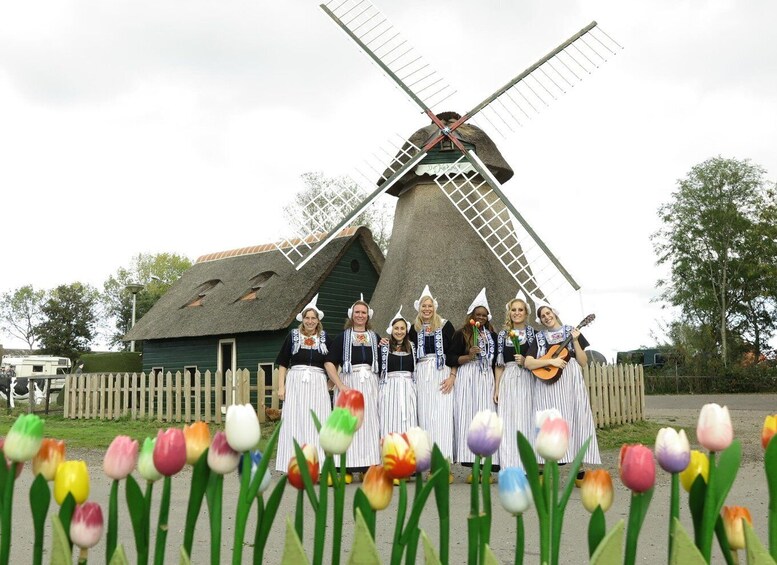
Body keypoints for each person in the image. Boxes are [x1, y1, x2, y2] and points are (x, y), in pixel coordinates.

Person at [524, 302, 601, 484]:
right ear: (540, 320)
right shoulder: (539, 337)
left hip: (570, 381)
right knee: (548, 421)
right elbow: (528, 362)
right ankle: (541, 469)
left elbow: (583, 362)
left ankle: (581, 469)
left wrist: (575, 339)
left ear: (554, 313)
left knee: (575, 417)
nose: (546, 317)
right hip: (547, 384)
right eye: (542, 315)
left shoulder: (572, 331)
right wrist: (551, 361)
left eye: (548, 313)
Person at [325, 295, 381, 482]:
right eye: (357, 312)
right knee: (349, 424)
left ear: (368, 316)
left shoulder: (375, 337)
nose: (360, 315)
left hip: (371, 384)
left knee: (370, 423)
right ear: (351, 315)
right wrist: (340, 386)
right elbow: (329, 363)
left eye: (363, 312)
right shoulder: (342, 338)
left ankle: (369, 465)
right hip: (350, 382)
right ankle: (347, 467)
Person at [274, 294, 334, 472]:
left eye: (313, 318)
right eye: (307, 318)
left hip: (317, 383)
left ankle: (318, 465)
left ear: (318, 320)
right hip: (296, 383)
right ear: (302, 319)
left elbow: (333, 362)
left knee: (318, 421)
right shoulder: (292, 336)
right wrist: (281, 387)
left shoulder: (325, 338)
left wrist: (331, 383)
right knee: (295, 420)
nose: (310, 321)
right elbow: (283, 363)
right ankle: (294, 465)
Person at [448, 287, 499, 482]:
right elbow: (451, 357)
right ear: (472, 315)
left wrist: (496, 385)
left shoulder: (493, 337)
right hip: (468, 378)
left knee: (485, 422)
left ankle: (486, 468)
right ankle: (473, 468)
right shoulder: (462, 334)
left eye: (484, 315)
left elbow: (497, 362)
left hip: (486, 379)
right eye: (478, 314)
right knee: (470, 420)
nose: (481, 318)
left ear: (488, 317)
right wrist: (467, 356)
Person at [408, 285, 456, 478]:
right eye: (423, 306)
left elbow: (454, 353)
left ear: (434, 307)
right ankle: (428, 465)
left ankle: (444, 465)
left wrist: (452, 376)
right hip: (421, 374)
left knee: (443, 419)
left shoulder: (446, 325)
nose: (426, 309)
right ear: (419, 309)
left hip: (441, 372)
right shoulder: (414, 329)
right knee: (425, 418)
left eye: (429, 306)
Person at [494, 292, 536, 470]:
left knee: (526, 420)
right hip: (509, 379)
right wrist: (497, 388)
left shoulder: (534, 334)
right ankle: (509, 465)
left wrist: (526, 362)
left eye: (520, 310)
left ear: (526, 313)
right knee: (508, 420)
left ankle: (527, 465)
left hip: (528, 379)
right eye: (514, 310)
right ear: (509, 312)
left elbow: (539, 360)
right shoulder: (503, 335)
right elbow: (499, 364)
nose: (517, 313)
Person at [378, 307, 417, 438]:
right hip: (389, 388)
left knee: (408, 421)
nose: (399, 331)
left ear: (406, 330)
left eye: (402, 328)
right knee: (389, 419)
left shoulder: (412, 347)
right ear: (391, 330)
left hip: (408, 388)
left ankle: (407, 455)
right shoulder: (384, 346)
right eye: (396, 328)